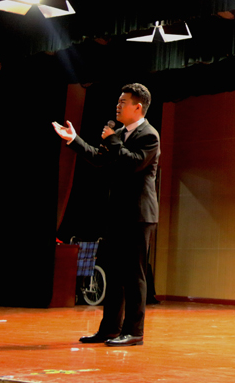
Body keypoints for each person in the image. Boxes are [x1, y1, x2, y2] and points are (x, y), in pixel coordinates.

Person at [53, 83, 160, 347]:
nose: (117, 105)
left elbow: (133, 163)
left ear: (138, 107)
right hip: (118, 213)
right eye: (118, 101)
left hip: (139, 215)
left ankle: (134, 332)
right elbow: (100, 159)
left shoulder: (149, 135)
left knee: (133, 275)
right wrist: (74, 140)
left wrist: (112, 140)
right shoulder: (120, 134)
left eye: (123, 102)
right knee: (113, 273)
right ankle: (110, 329)